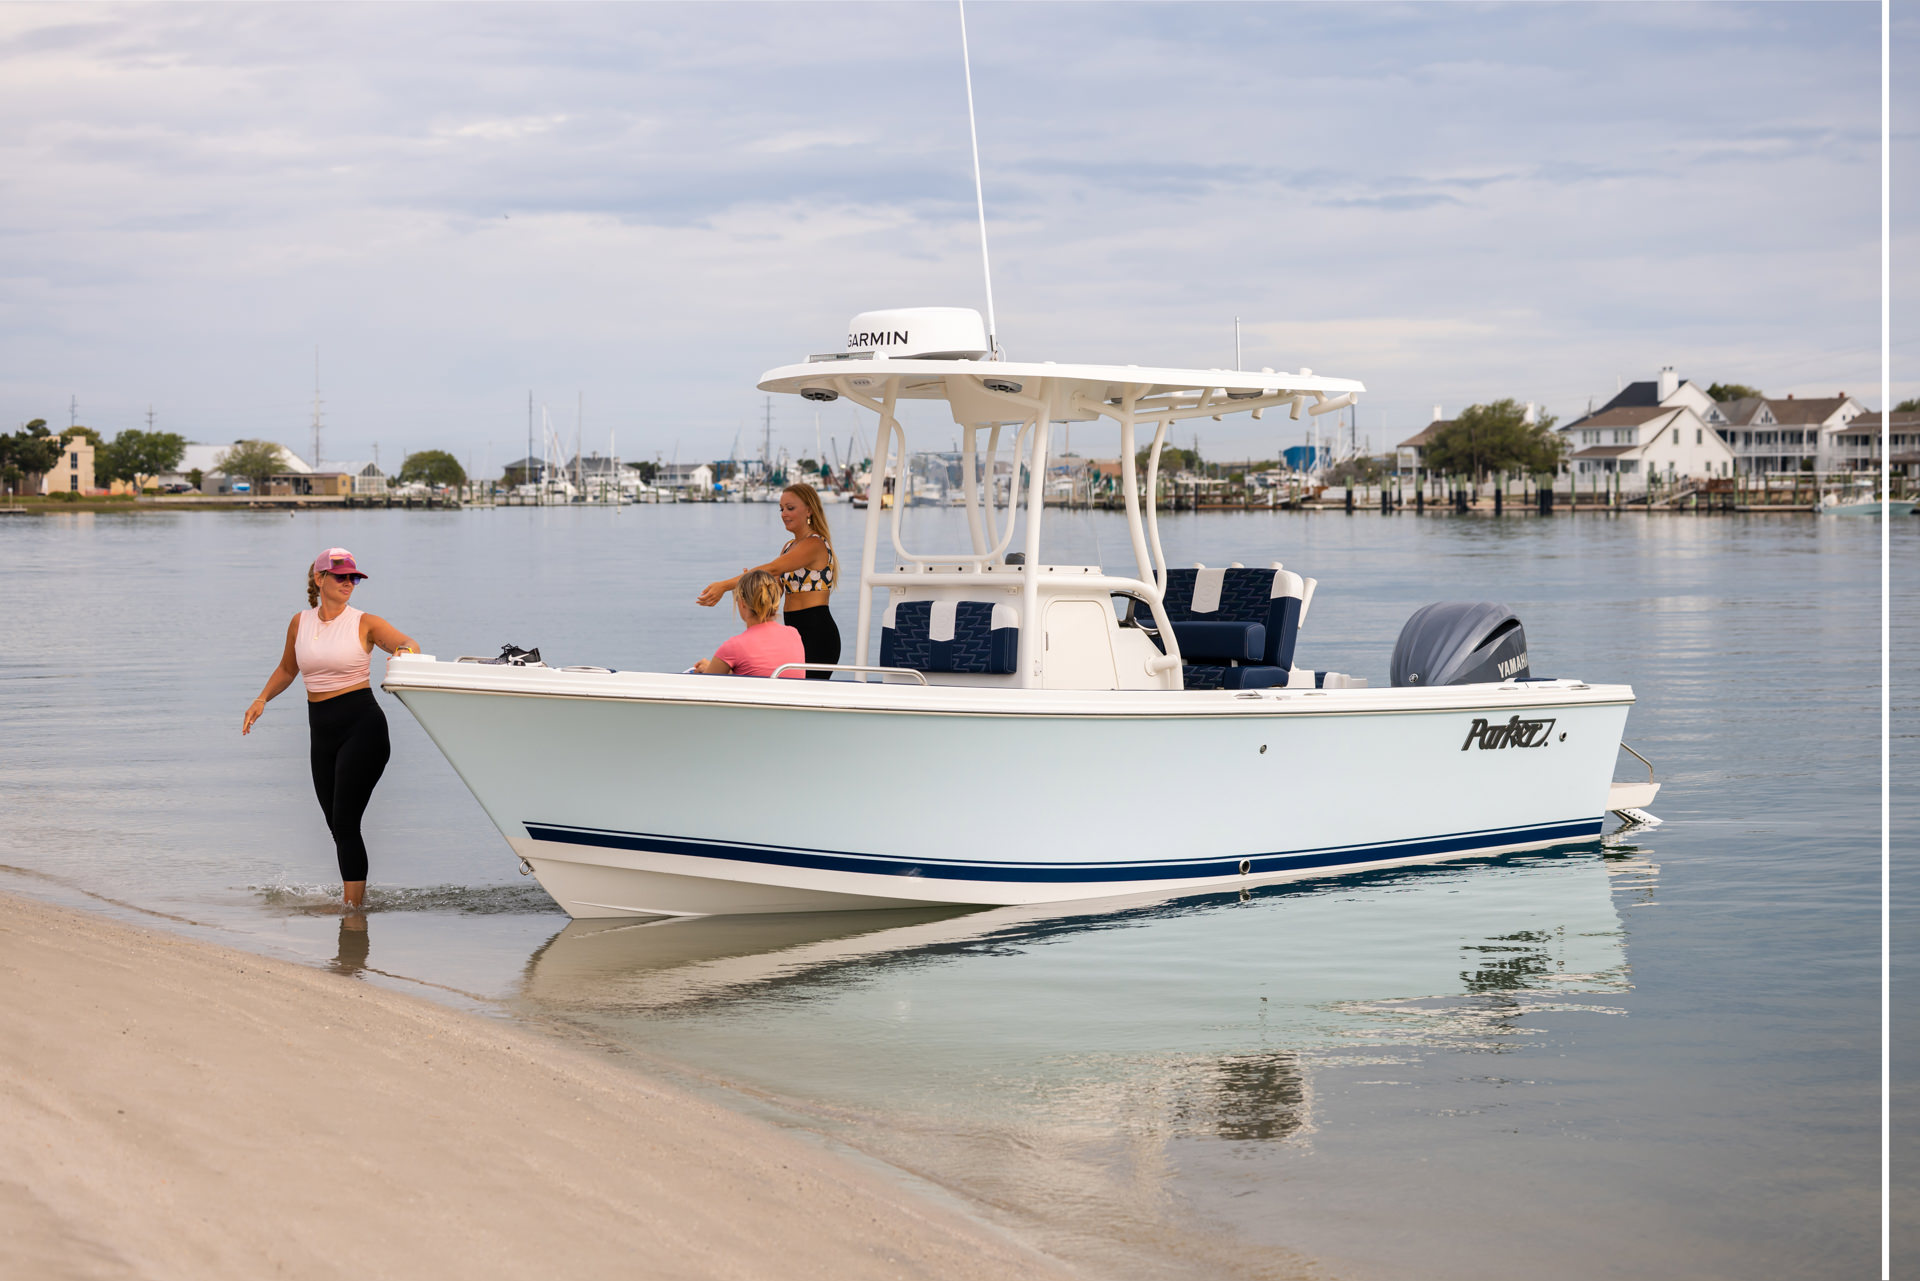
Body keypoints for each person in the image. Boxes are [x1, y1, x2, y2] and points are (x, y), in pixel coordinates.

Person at [242, 548, 419, 911]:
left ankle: (353, 912)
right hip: (321, 734)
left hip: (363, 729)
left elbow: (408, 643)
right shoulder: (299, 623)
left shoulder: (365, 623)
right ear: (319, 579)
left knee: (345, 820)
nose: (349, 583)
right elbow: (288, 670)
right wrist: (261, 699)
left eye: (354, 577)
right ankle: (355, 902)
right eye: (342, 577)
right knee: (336, 825)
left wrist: (403, 654)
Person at [697, 482, 840, 678]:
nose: (783, 514)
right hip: (792, 630)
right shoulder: (790, 546)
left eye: (790, 508)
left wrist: (724, 585)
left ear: (809, 510)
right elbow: (776, 589)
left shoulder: (815, 544)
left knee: (807, 694)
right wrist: (751, 584)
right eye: (781, 509)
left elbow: (773, 568)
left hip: (816, 629)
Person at [694, 570, 805, 677]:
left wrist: (708, 668)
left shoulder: (734, 646)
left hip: (758, 695)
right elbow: (763, 673)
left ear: (742, 603)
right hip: (790, 695)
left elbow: (706, 685)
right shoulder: (794, 634)